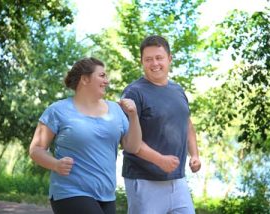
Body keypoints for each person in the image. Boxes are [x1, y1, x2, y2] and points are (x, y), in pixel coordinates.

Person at [29, 57, 142, 214]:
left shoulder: (116, 110)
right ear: (85, 79)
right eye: (102, 76)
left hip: (107, 195)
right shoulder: (58, 110)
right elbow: (36, 150)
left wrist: (134, 116)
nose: (107, 81)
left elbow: (133, 146)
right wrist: (55, 164)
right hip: (70, 192)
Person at [122, 35, 201, 214]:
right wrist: (159, 160)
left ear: (169, 59)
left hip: (178, 181)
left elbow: (187, 124)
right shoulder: (133, 93)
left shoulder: (177, 90)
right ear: (142, 62)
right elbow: (127, 140)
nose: (154, 63)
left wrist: (194, 154)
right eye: (148, 59)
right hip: (143, 181)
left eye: (159, 58)